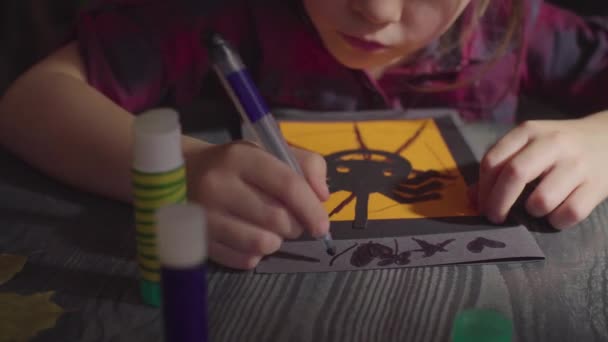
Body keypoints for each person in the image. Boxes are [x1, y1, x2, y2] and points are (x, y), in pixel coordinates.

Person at [0, 0, 607, 269]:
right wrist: (181, 170)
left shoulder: (516, 22)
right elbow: (33, 100)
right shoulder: (223, 14)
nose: (377, 10)